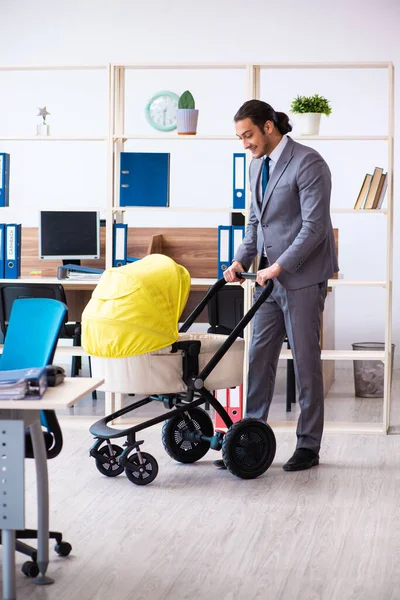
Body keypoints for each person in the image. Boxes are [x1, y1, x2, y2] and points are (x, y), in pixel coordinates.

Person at [223, 99, 339, 471]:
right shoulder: (256, 167)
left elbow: (315, 227)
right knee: (258, 357)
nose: (246, 144)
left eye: (249, 135)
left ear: (268, 127)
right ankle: (249, 440)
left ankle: (308, 445)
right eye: (241, 137)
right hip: (266, 281)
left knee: (305, 362)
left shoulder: (308, 162)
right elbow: (254, 224)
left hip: (302, 277)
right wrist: (242, 258)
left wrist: (280, 266)